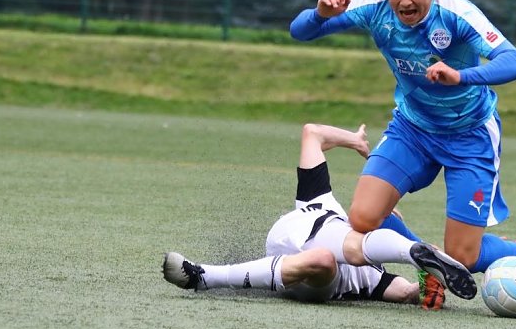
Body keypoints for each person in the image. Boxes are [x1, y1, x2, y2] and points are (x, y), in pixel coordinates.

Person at [289, 0, 516, 274]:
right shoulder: (371, 1)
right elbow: (299, 31)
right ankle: (428, 259)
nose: (404, 2)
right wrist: (319, 14)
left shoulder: (456, 13)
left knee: (464, 256)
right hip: (412, 129)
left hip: (471, 135)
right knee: (362, 219)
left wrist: (462, 76)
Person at [162, 122, 477, 309]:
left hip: (316, 277)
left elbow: (405, 292)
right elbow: (312, 133)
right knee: (346, 246)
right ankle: (413, 253)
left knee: (327, 258)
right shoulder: (321, 200)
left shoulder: (375, 278)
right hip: (305, 231)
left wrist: (425, 289)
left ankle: (206, 276)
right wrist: (352, 140)